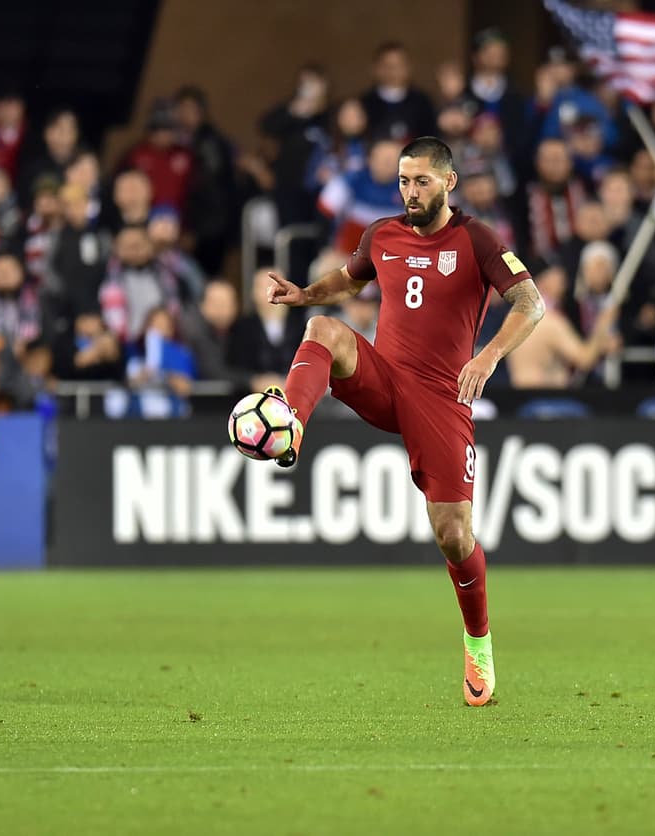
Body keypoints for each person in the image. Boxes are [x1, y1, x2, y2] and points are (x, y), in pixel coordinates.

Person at [262, 137, 543, 706]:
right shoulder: (381, 234)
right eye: (404, 181)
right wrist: (307, 294)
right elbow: (351, 279)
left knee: (453, 534)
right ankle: (289, 420)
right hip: (386, 379)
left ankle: (478, 641)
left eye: (422, 181)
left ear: (449, 182)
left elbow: (530, 302)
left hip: (443, 398)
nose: (410, 192)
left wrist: (487, 357)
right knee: (324, 330)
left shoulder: (477, 239)